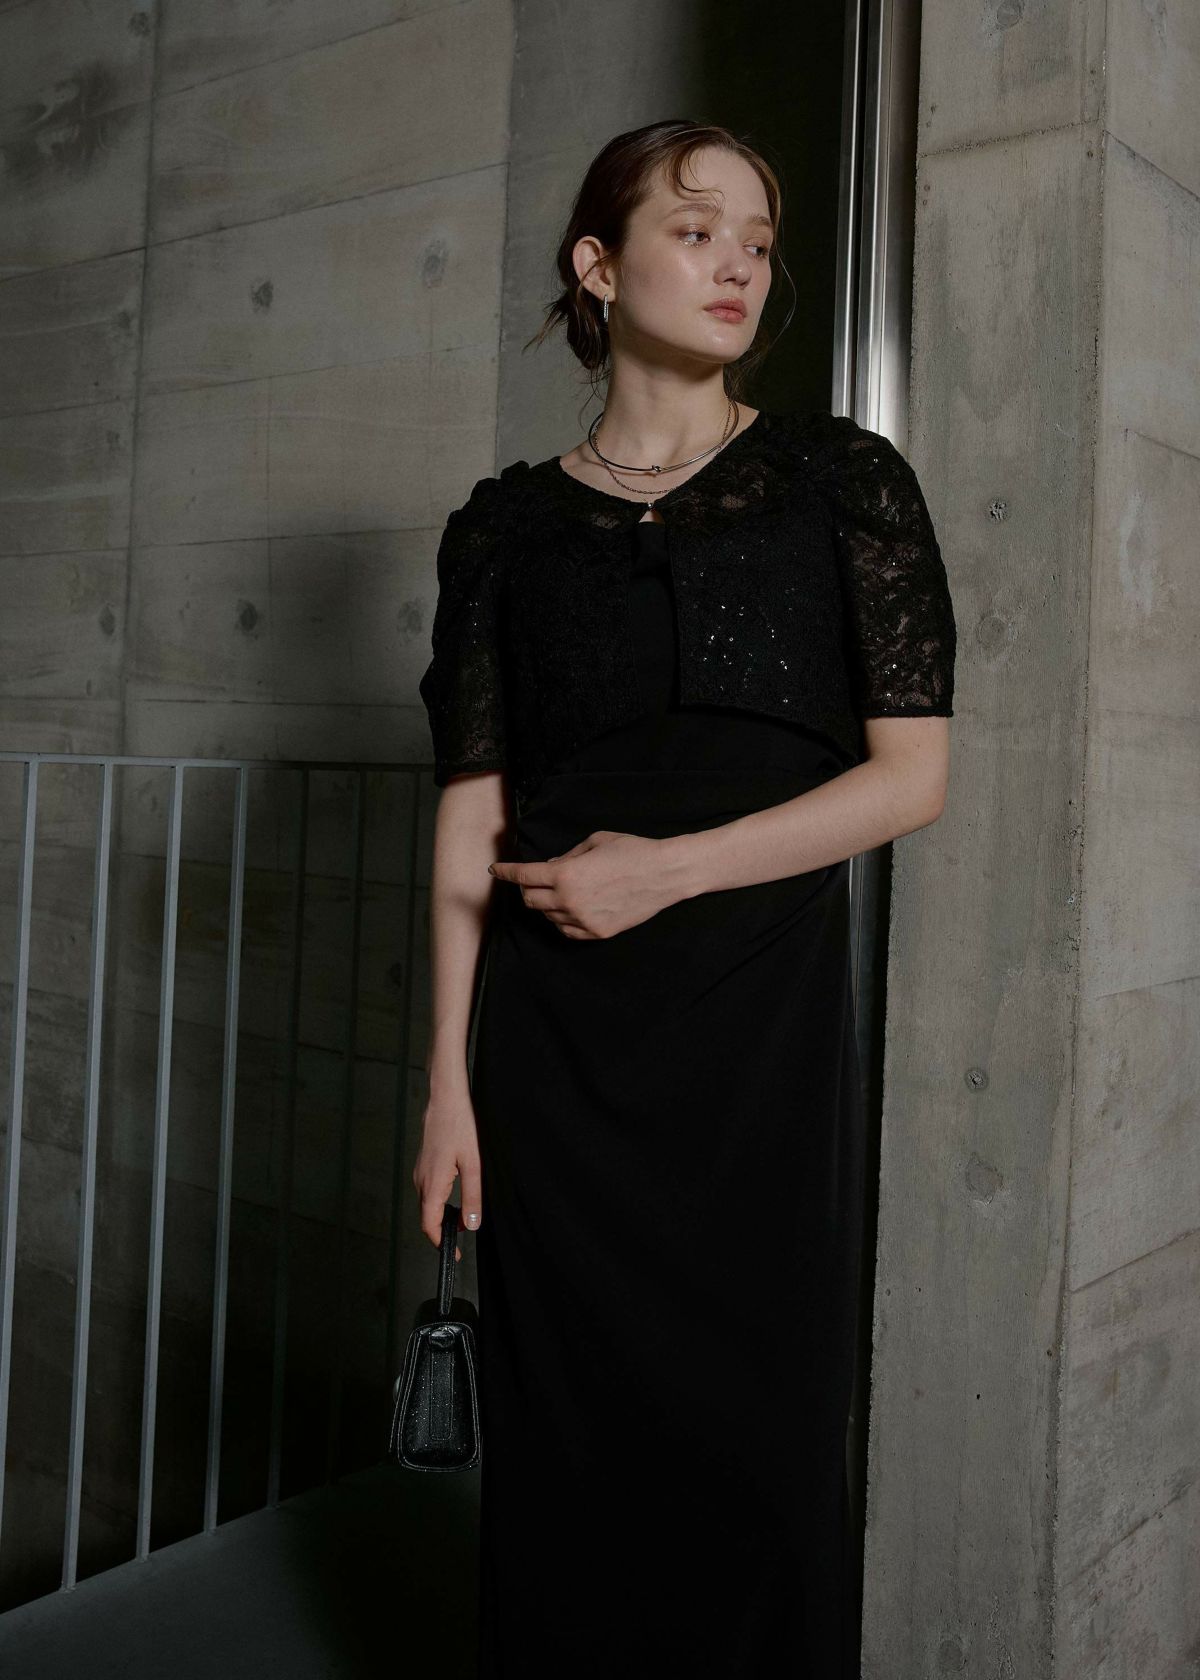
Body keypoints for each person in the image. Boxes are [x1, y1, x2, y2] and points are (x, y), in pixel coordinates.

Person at [413, 119, 956, 1679]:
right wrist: (446, 1085)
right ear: (600, 266)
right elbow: (471, 813)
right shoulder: (505, 530)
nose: (740, 267)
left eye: (760, 242)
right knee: (567, 1459)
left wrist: (669, 869)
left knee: (762, 1453)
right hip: (557, 1061)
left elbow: (912, 780)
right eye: (699, 230)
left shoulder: (840, 483)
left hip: (757, 1049)